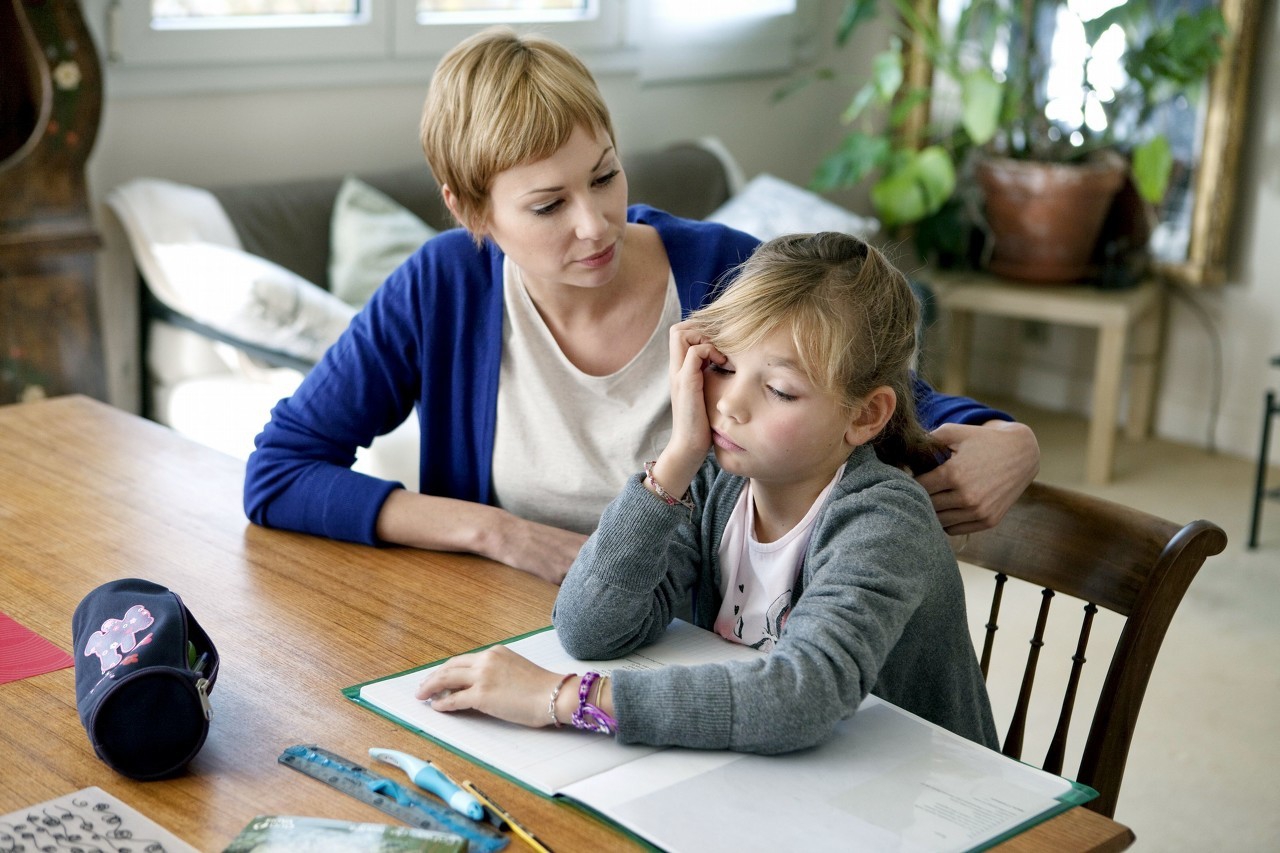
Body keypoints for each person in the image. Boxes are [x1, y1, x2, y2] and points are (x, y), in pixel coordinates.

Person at [243, 26, 1038, 584]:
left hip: (716, 649)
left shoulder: (723, 271)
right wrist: (498, 533)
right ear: (470, 209)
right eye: (548, 205)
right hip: (513, 629)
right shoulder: (441, 286)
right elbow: (280, 471)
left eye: (604, 176)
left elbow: (882, 397)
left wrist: (1012, 437)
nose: (596, 224)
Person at [416, 232, 998, 752]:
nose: (729, 405)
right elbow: (591, 627)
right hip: (785, 781)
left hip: (924, 799)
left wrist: (566, 698)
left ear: (865, 415)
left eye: (779, 389)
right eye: (722, 366)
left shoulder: (884, 521)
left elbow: (802, 697)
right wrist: (675, 460)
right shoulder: (716, 484)